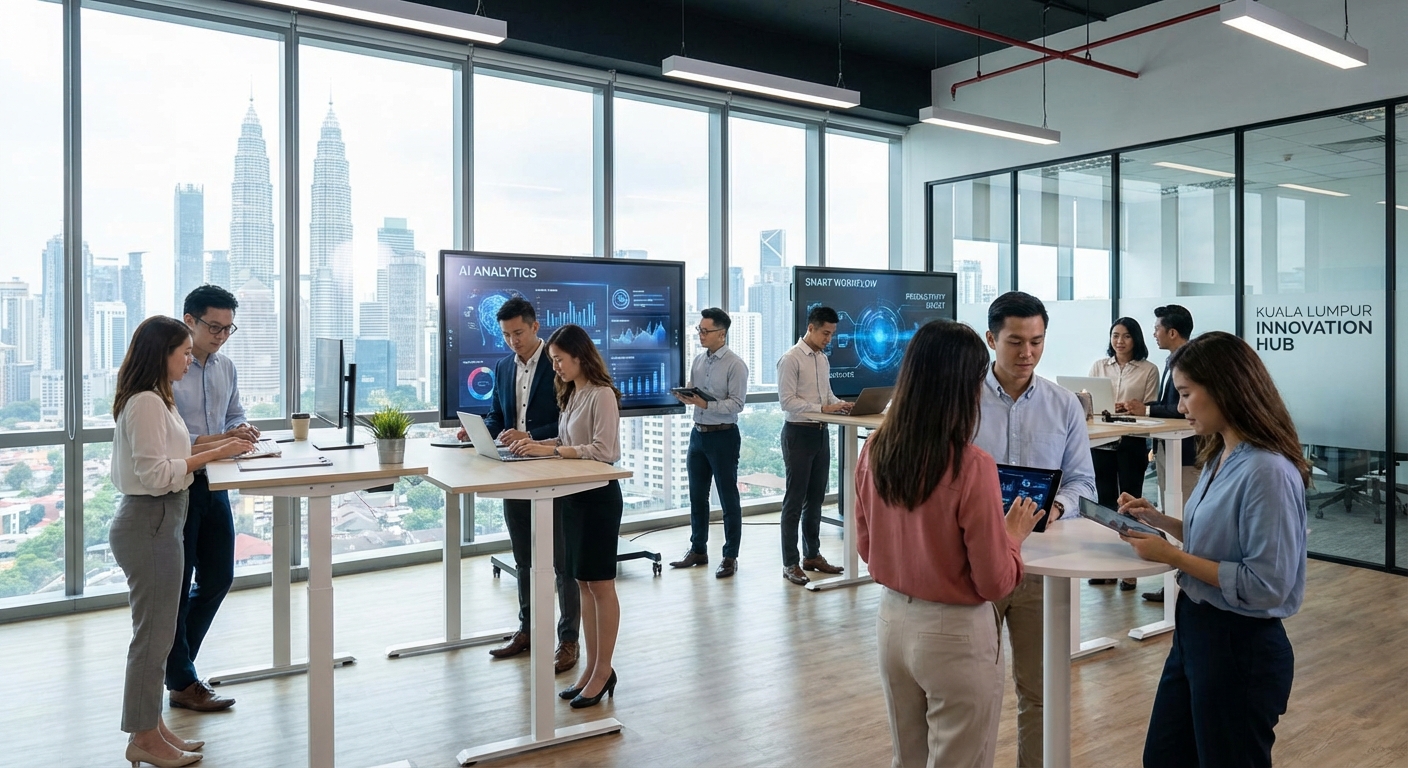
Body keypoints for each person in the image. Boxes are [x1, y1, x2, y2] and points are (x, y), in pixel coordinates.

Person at [1116, 331, 1307, 768]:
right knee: (1163, 757)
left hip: (1239, 645)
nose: (1180, 407)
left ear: (1224, 389)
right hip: (1196, 629)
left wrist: (1171, 556)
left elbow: (1266, 584)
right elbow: (1222, 540)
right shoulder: (1223, 453)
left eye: (1186, 394)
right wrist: (1160, 521)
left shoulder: (1266, 471)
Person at [857, 320, 1043, 768]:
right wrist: (1012, 536)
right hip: (955, 632)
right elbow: (994, 581)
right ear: (965, 385)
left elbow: (866, 545)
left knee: (908, 759)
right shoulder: (971, 464)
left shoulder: (875, 447)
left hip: (892, 621)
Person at [110, 316, 252, 768]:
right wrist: (219, 452)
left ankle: (152, 729)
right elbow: (156, 474)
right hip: (150, 520)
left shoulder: (159, 398)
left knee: (161, 635)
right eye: (185, 352)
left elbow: (177, 452)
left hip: (163, 518)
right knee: (152, 640)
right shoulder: (146, 403)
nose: (191, 360)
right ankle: (142, 738)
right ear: (163, 354)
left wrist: (220, 445)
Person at [973, 291, 1097, 768]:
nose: (1028, 353)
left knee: (1041, 691)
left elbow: (1083, 482)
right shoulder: (961, 399)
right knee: (974, 693)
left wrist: (1057, 508)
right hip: (976, 562)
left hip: (1040, 566)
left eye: (1037, 341)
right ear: (991, 340)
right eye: (1015, 342)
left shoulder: (1064, 405)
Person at [507, 324, 623, 709]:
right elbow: (568, 440)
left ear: (579, 356)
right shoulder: (573, 392)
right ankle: (591, 669)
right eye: (553, 360)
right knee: (584, 585)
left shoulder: (601, 394)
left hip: (598, 498)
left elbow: (604, 450)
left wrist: (552, 452)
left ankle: (604, 670)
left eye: (559, 360)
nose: (555, 366)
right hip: (574, 496)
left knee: (601, 587)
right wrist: (535, 443)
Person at [467, 297, 580, 674]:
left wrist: (530, 435)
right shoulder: (503, 367)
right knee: (524, 557)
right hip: (514, 472)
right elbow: (498, 415)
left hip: (553, 470)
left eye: (518, 332)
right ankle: (529, 630)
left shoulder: (559, 363)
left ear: (535, 326)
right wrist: (480, 431)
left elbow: (570, 421)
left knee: (562, 561)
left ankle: (568, 639)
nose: (512, 341)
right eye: (505, 335)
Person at [166, 285, 260, 712]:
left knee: (219, 577)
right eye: (214, 327)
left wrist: (242, 428)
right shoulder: (168, 368)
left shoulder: (226, 367)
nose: (221, 336)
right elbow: (171, 439)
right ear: (189, 320)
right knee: (177, 585)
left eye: (228, 329)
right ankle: (182, 679)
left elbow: (233, 413)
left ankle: (176, 668)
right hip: (178, 484)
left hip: (215, 482)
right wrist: (222, 440)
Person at [1116, 304, 1198, 603]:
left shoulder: (1188, 360)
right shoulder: (1173, 359)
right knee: (1171, 510)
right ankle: (1175, 584)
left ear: (1172, 332)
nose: (1154, 333)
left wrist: (1147, 410)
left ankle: (1185, 586)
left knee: (1184, 515)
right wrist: (1141, 407)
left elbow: (1180, 408)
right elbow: (1169, 402)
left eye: (1157, 328)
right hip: (1166, 447)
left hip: (1184, 451)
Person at [670, 307, 749, 578]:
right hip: (698, 435)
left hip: (723, 436)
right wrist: (685, 395)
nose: (701, 335)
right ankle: (698, 550)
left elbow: (737, 405)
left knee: (728, 498)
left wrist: (706, 404)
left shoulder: (735, 365)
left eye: (706, 331)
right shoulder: (698, 361)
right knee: (697, 496)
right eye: (699, 330)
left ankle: (730, 556)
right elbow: (695, 391)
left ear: (722, 334)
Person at [776, 305, 852, 586]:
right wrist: (823, 408)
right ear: (811, 328)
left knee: (816, 499)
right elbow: (787, 402)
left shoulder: (822, 359)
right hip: (798, 433)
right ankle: (790, 563)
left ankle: (812, 556)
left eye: (832, 334)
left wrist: (841, 405)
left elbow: (827, 394)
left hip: (821, 432)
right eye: (825, 333)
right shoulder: (791, 359)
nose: (829, 339)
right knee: (795, 500)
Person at [1086, 317, 1159, 592]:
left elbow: (1151, 407)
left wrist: (1131, 407)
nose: (1119, 341)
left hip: (1132, 440)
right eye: (1115, 335)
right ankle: (1106, 567)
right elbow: (1088, 400)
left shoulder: (1149, 369)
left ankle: (1130, 570)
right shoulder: (1099, 366)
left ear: (1135, 339)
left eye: (1126, 336)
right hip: (1103, 440)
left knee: (1131, 502)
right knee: (1104, 502)